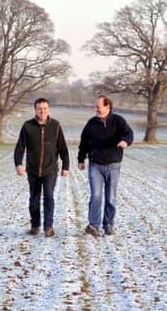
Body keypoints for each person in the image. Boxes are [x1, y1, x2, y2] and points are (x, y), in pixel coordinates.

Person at [78, 94, 133, 237]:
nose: (96, 109)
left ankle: (108, 225)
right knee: (95, 195)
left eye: (98, 106)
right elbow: (84, 142)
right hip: (95, 165)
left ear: (108, 107)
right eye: (95, 106)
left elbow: (129, 133)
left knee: (110, 197)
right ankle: (93, 225)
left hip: (113, 164)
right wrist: (81, 159)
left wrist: (125, 141)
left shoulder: (118, 121)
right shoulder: (91, 123)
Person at [14, 98, 69, 237]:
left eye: (45, 108)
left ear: (48, 109)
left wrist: (66, 166)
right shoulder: (28, 126)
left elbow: (63, 148)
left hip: (50, 169)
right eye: (39, 108)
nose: (42, 111)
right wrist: (18, 164)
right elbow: (20, 147)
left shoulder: (56, 126)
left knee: (49, 197)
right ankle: (35, 225)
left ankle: (48, 227)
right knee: (34, 199)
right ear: (35, 110)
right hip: (33, 169)